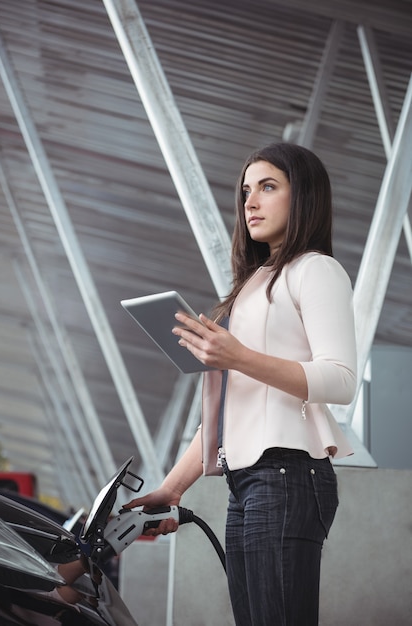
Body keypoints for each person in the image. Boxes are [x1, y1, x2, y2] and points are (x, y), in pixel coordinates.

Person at [123, 142, 357, 626]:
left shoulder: (316, 270)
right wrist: (172, 486)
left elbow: (341, 380)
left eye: (268, 187)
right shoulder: (250, 286)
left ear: (305, 196)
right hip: (247, 482)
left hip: (289, 475)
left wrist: (240, 356)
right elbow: (227, 412)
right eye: (246, 190)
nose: (250, 202)